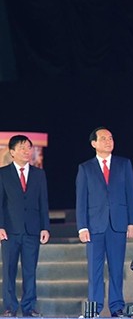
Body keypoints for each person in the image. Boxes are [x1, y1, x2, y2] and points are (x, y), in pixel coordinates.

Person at [75, 127, 133, 317]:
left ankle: (117, 306)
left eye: (110, 138)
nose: (108, 141)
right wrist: (82, 226)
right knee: (95, 269)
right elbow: (81, 199)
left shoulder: (124, 164)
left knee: (116, 268)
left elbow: (131, 194)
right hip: (94, 225)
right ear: (94, 143)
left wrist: (132, 221)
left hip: (118, 224)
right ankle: (94, 308)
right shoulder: (85, 168)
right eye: (103, 138)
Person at [0, 135, 50, 317]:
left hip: (32, 230)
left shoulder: (39, 174)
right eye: (22, 148)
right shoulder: (3, 173)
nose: (27, 151)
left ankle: (28, 306)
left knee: (30, 270)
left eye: (29, 148)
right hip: (10, 231)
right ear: (12, 152)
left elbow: (43, 202)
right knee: (9, 270)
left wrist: (45, 227)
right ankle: (10, 307)